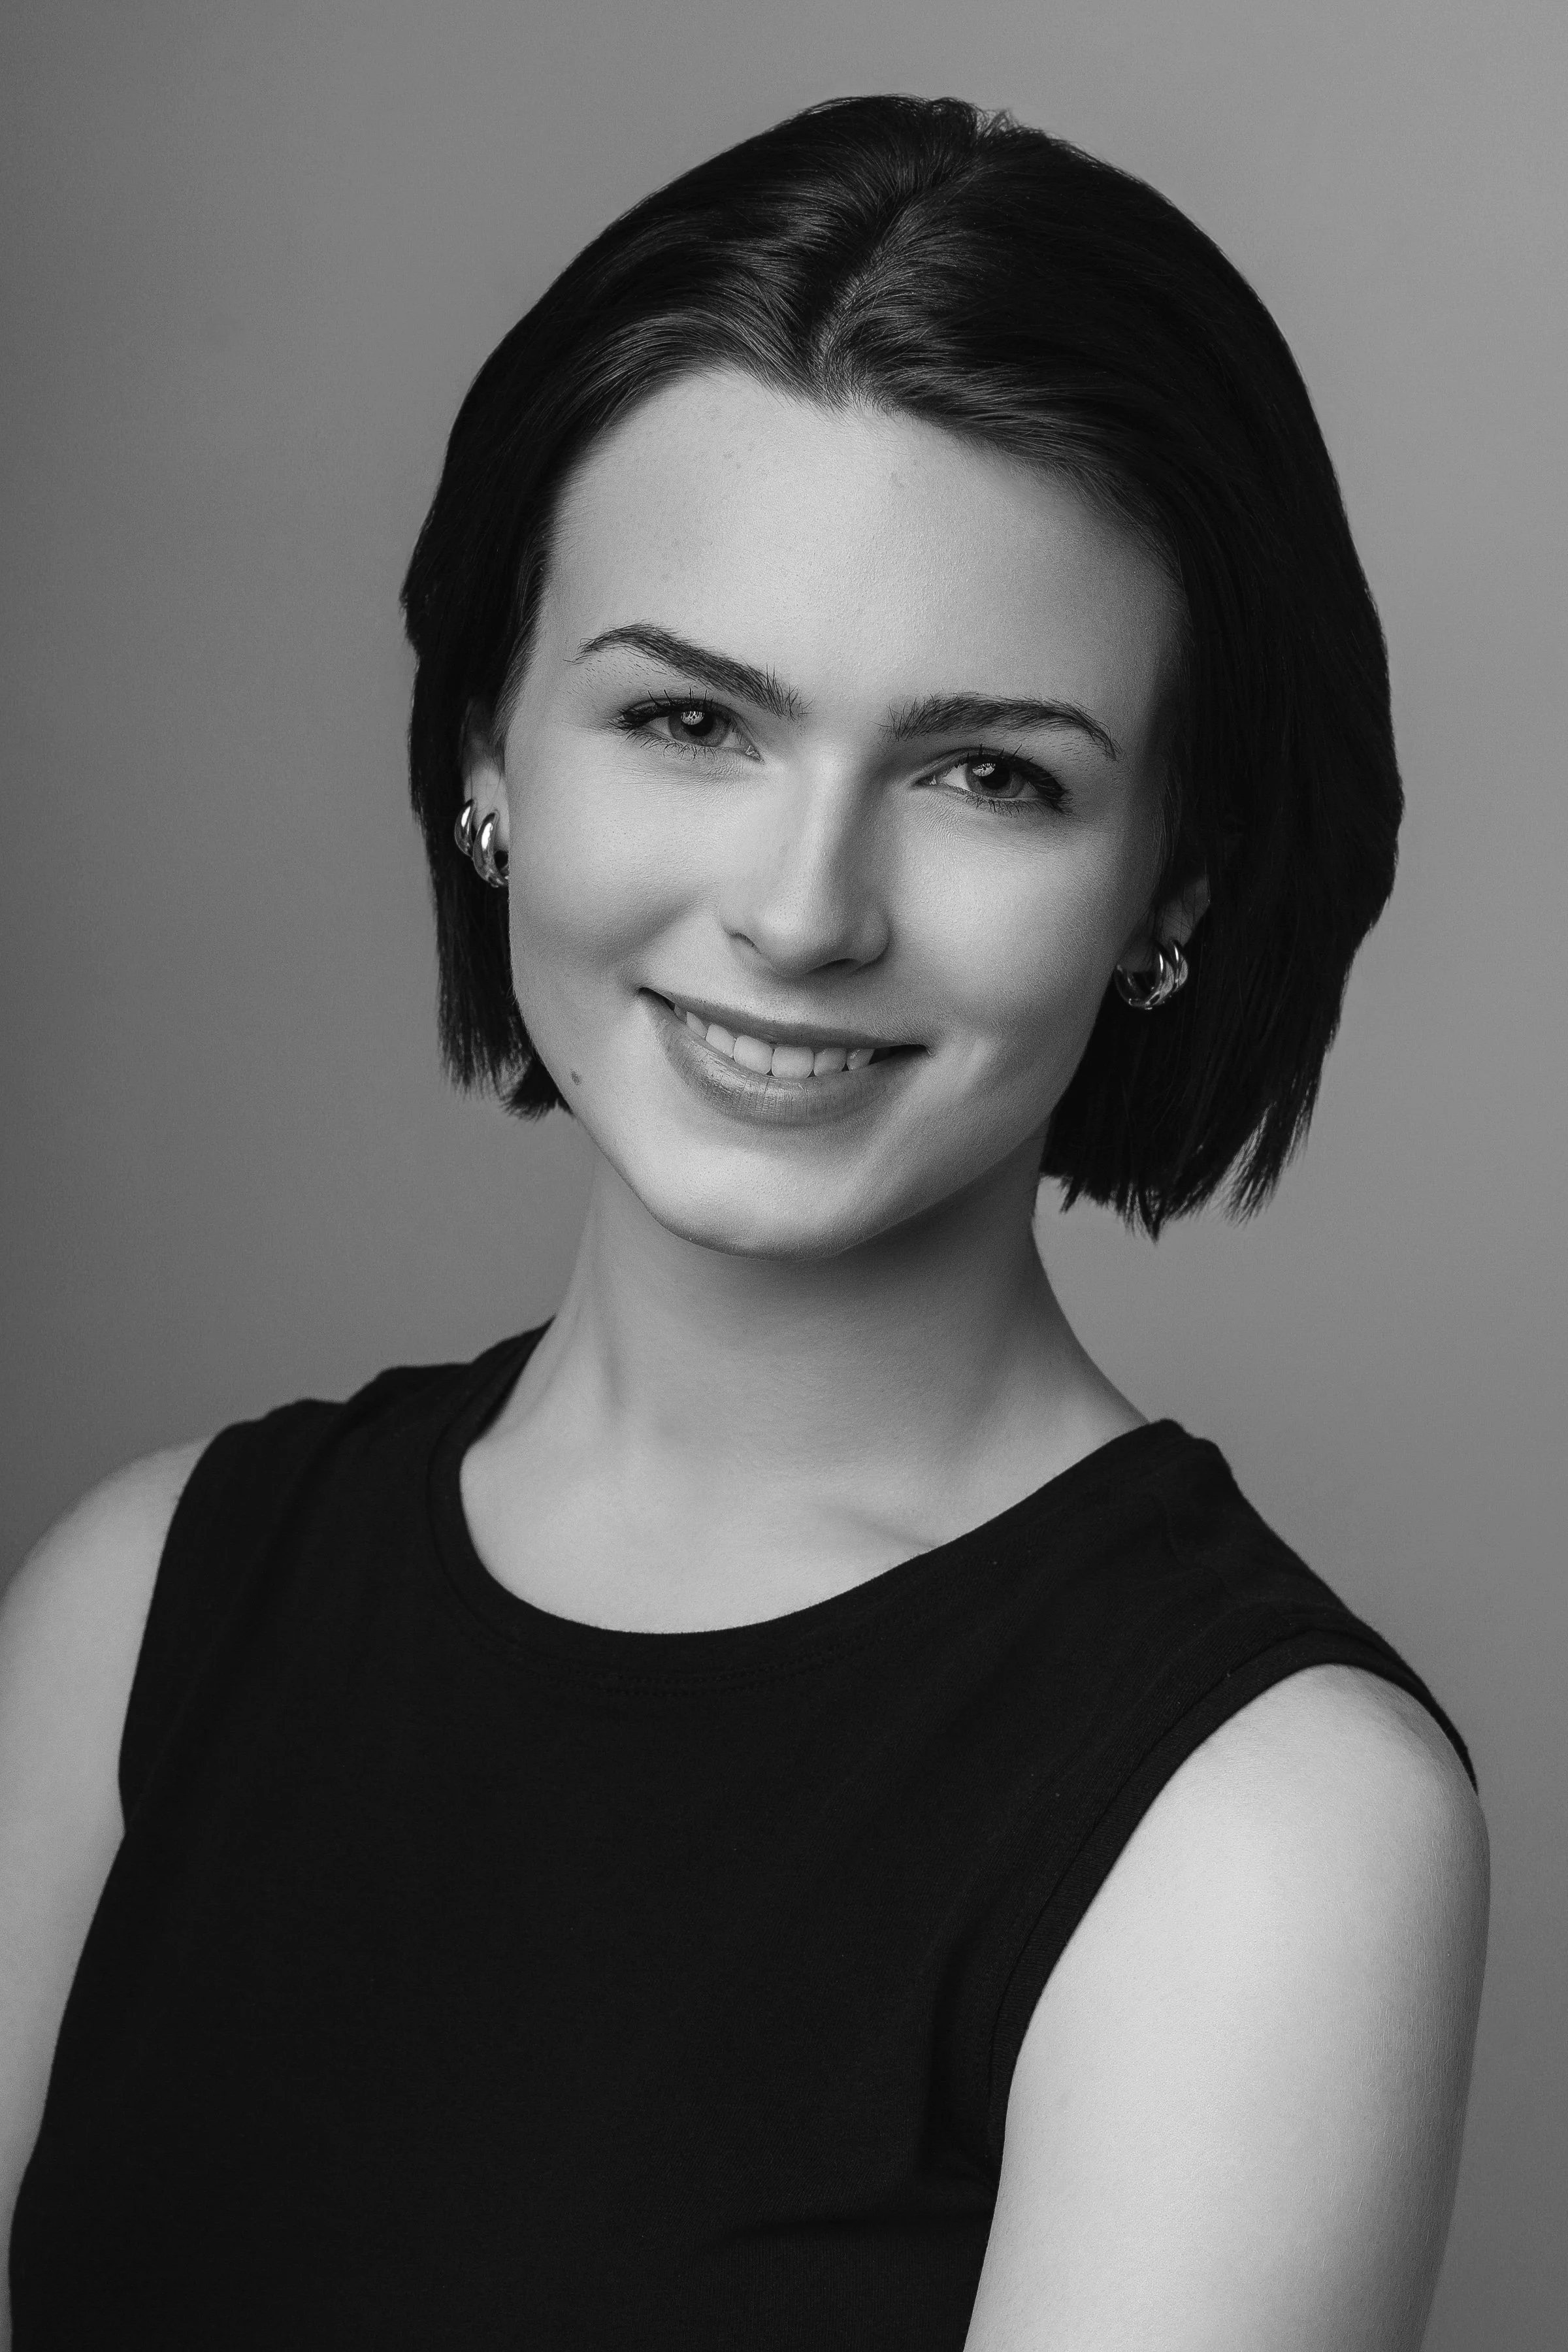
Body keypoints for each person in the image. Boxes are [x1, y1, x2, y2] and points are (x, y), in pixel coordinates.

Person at [0, 94, 1488, 2351]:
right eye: (692, 719)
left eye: (994, 775)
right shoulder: (139, 1605)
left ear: (1172, 879)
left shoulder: (1271, 1831)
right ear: (493, 741)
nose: (802, 914)